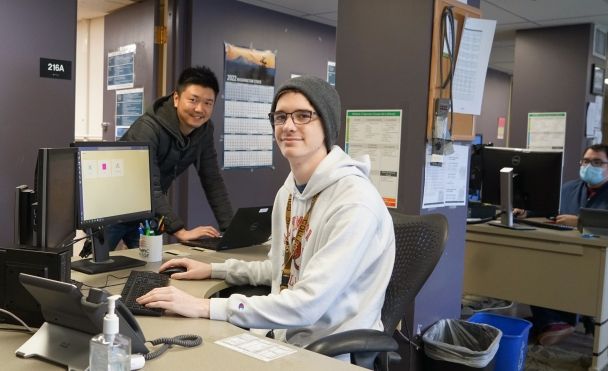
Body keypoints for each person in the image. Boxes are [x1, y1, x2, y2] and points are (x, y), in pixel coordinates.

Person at [136, 76, 396, 351]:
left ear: (326, 124)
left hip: (326, 352)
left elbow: (307, 304)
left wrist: (204, 305)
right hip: (282, 335)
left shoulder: (353, 204)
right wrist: (214, 269)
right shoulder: (289, 192)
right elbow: (277, 270)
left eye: (303, 116)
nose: (289, 126)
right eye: (280, 117)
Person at [517, 144, 608, 346]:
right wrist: (528, 212)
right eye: (586, 161)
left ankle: (557, 321)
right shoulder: (570, 188)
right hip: (576, 250)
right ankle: (556, 321)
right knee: (538, 264)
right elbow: (552, 211)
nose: (589, 166)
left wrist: (579, 222)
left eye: (597, 162)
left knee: (577, 271)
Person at [104, 66, 233, 250]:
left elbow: (212, 180)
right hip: (112, 207)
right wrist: (180, 231)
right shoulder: (147, 129)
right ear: (176, 98)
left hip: (146, 209)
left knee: (147, 267)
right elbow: (148, 185)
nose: (199, 109)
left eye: (208, 103)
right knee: (95, 268)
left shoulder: (204, 130)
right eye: (193, 100)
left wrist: (231, 230)